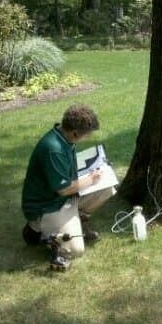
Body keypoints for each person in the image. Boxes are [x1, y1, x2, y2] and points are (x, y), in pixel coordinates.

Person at [21, 104, 116, 270]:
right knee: (75, 250)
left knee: (107, 189)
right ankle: (34, 231)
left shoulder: (64, 137)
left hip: (63, 199)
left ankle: (75, 219)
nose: (88, 137)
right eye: (87, 134)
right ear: (75, 133)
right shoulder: (54, 149)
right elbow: (63, 189)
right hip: (47, 206)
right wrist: (91, 178)